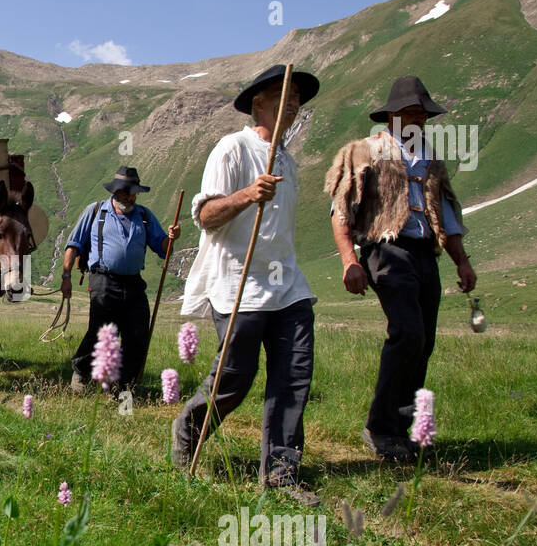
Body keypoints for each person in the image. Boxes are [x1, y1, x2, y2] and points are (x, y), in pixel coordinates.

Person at [171, 64, 321, 505]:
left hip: (287, 285)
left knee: (293, 377)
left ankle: (281, 474)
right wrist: (246, 195)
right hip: (239, 282)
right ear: (258, 103)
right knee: (236, 376)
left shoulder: (288, 161)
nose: (293, 104)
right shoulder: (232, 149)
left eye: (297, 98)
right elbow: (205, 216)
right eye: (284, 96)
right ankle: (190, 429)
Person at [325, 76, 475, 461]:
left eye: (422, 114)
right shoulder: (365, 152)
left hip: (425, 254)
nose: (418, 119)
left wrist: (461, 261)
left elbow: (445, 215)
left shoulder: (431, 160)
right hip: (386, 249)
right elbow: (341, 211)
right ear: (391, 116)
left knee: (423, 341)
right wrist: (350, 261)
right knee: (407, 332)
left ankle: (402, 431)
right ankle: (380, 427)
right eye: (410, 112)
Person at [62, 166, 180, 394]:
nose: (131, 197)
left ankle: (123, 385)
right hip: (103, 280)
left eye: (133, 192)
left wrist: (172, 238)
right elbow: (73, 244)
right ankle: (81, 370)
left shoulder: (144, 216)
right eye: (126, 192)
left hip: (134, 282)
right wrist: (66, 276)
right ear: (116, 192)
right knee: (102, 332)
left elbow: (162, 246)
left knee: (137, 333)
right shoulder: (96, 212)